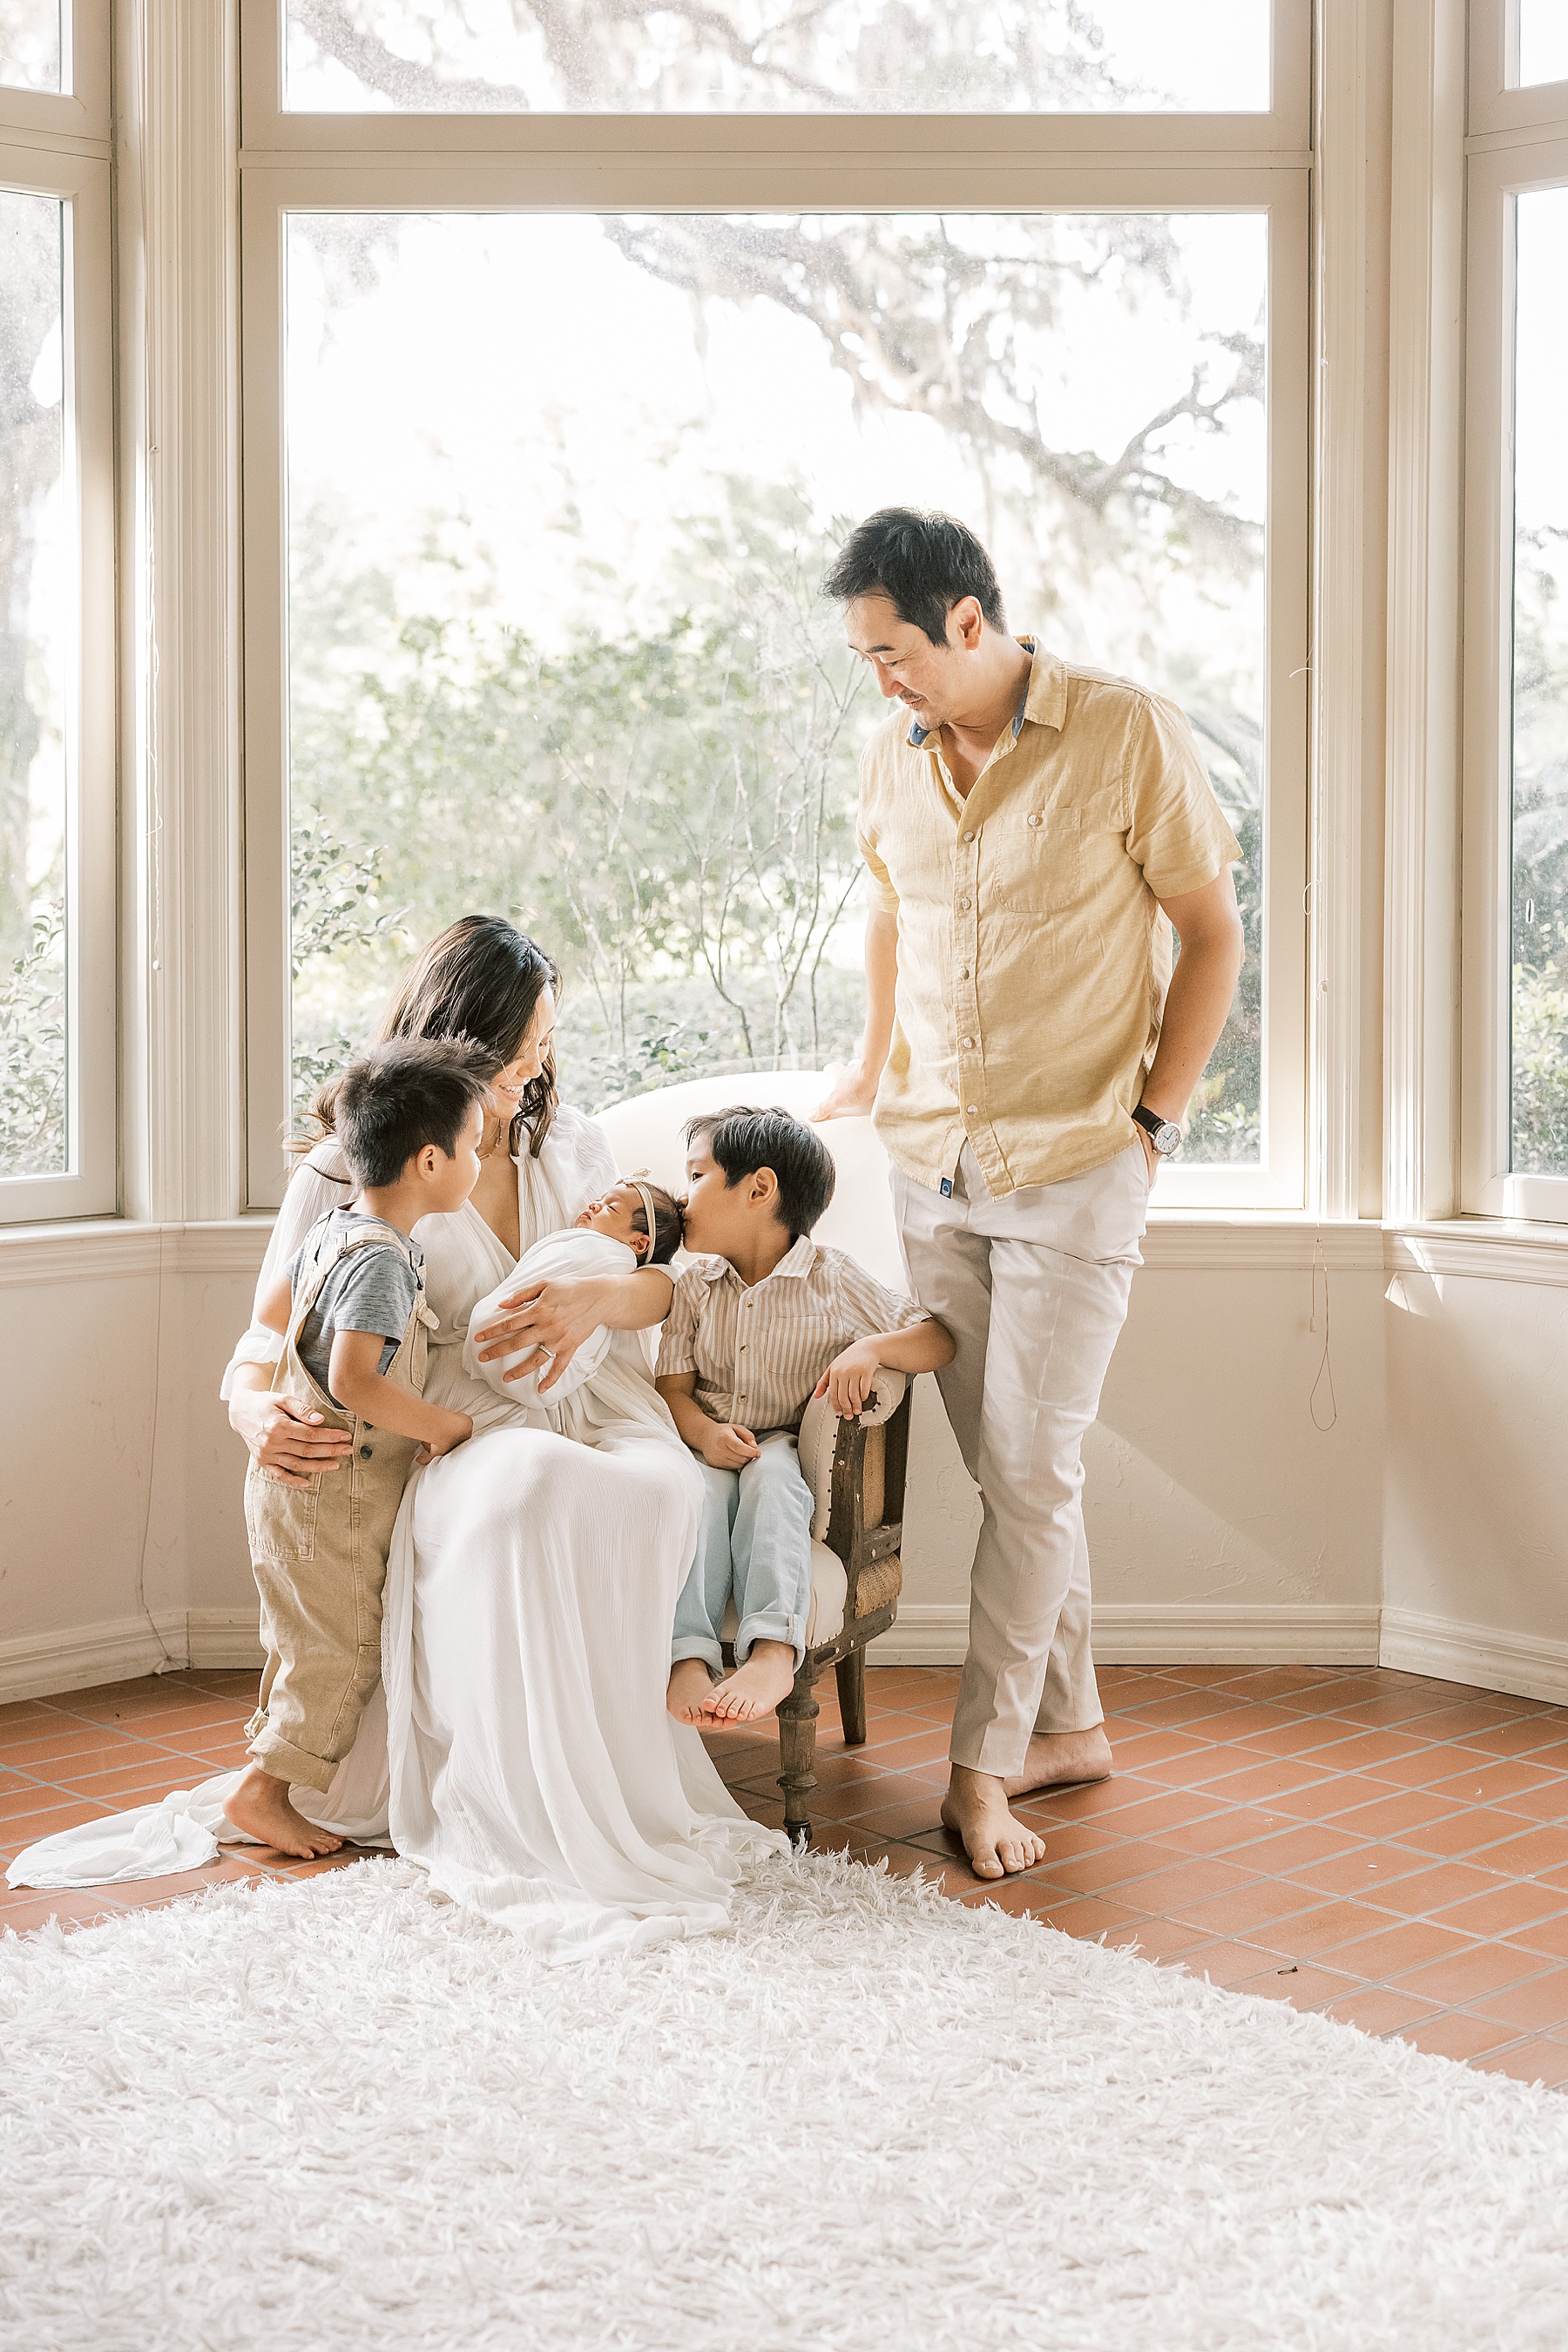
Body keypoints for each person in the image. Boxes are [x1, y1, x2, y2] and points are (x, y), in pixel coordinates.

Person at [223, 916, 788, 1957]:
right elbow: (273, 1324)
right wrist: (254, 1407)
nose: (540, 1064)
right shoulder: (364, 1159)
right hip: (457, 1423)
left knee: (657, 1488)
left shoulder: (565, 1142)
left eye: (547, 1039)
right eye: (523, 1042)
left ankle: (600, 1780)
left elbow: (667, 1275)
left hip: (595, 1398)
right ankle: (516, 1797)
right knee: (529, 1481)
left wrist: (600, 1305)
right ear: (463, 1038)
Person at [816, 508, 1245, 1882]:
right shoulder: (892, 754)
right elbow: (891, 910)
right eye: (863, 656)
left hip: (1075, 1168)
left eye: (893, 651)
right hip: (932, 1163)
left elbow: (1210, 932)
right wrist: (870, 1066)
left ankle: (982, 1770)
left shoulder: (1126, 733)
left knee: (1036, 1471)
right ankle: (1070, 1725)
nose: (881, 679)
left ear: (966, 620)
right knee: (1014, 1478)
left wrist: (1153, 1123)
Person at [226, 1036, 493, 1862]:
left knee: (300, 1642)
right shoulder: (382, 1259)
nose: (481, 1160)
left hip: (291, 1492)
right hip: (332, 1494)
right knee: (341, 1655)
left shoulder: (335, 1230)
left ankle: (267, 1775)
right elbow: (354, 1382)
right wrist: (445, 1428)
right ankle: (264, 1793)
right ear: (428, 1160)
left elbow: (278, 1310)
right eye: (475, 1147)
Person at [657, 1105, 955, 1728]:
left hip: (783, 1447)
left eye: (696, 1176)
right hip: (705, 1446)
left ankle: (772, 1648)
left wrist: (869, 1348)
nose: (682, 1197)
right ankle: (689, 1652)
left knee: (773, 1481)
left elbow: (936, 1340)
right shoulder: (693, 1286)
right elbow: (674, 1391)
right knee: (699, 1496)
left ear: (759, 1188)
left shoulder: (834, 1279)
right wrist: (706, 1435)